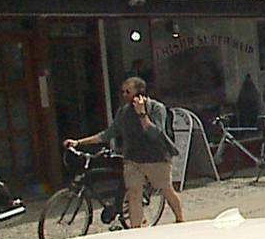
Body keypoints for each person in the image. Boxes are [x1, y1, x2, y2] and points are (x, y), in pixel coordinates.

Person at [64, 76, 184, 227]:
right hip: (132, 159)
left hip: (156, 158)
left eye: (128, 91)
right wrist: (79, 142)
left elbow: (155, 133)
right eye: (123, 92)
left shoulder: (156, 108)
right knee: (134, 193)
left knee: (166, 189)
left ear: (140, 92)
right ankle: (135, 229)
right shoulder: (124, 112)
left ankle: (180, 219)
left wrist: (142, 114)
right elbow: (108, 133)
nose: (124, 95)